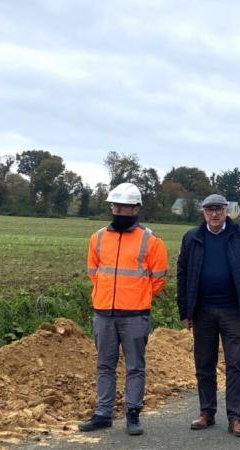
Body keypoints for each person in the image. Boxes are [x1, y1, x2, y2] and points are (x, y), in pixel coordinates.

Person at [79, 182, 168, 436]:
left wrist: (138, 296)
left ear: (136, 208)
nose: (118, 210)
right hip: (104, 313)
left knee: (134, 367)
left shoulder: (151, 241)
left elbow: (158, 277)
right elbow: (93, 272)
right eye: (115, 205)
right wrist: (107, 296)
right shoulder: (97, 238)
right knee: (104, 365)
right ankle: (103, 414)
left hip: (135, 314)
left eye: (124, 206)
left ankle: (133, 413)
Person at [176, 194, 240, 438]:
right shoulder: (192, 237)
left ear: (226, 211)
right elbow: (182, 274)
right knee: (204, 363)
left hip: (232, 310)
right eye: (209, 210)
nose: (214, 214)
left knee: (235, 363)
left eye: (219, 210)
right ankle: (207, 412)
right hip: (202, 311)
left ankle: (235, 417)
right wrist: (185, 311)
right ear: (203, 212)